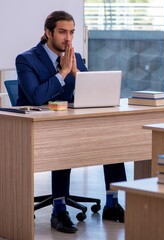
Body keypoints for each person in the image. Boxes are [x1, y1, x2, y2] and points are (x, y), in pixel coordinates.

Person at [15, 10, 127, 234]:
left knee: (112, 140)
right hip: (35, 129)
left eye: (72, 32)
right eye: (62, 32)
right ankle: (59, 211)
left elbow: (90, 94)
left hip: (70, 122)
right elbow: (37, 97)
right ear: (48, 33)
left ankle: (112, 204)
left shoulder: (75, 57)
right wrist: (64, 73)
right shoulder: (26, 59)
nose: (68, 38)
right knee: (62, 145)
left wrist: (77, 73)